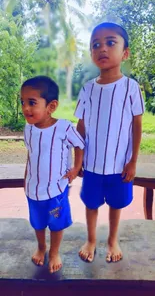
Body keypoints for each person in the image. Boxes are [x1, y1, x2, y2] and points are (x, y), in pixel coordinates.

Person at [74, 22, 145, 263]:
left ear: (125, 53)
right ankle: (91, 239)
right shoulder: (87, 90)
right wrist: (78, 159)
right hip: (92, 165)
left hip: (120, 166)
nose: (102, 48)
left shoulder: (131, 88)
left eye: (110, 42)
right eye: (96, 44)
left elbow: (137, 126)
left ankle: (112, 240)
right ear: (92, 53)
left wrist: (133, 161)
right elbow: (80, 126)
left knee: (116, 204)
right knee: (91, 204)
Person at [21, 76, 84, 273]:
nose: (25, 108)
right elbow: (31, 154)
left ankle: (54, 251)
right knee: (38, 222)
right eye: (22, 102)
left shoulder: (63, 127)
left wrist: (75, 168)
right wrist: (26, 178)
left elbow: (79, 144)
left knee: (56, 223)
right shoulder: (28, 129)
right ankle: (41, 248)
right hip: (33, 190)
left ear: (51, 106)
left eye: (32, 103)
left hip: (56, 190)